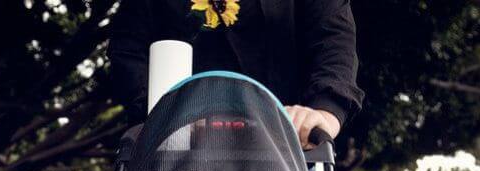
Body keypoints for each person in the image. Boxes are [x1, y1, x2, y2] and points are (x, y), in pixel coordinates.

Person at [107, 0, 363, 147]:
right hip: (172, 151)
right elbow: (127, 48)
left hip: (281, 150)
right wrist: (155, 116)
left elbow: (332, 39)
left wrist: (324, 113)